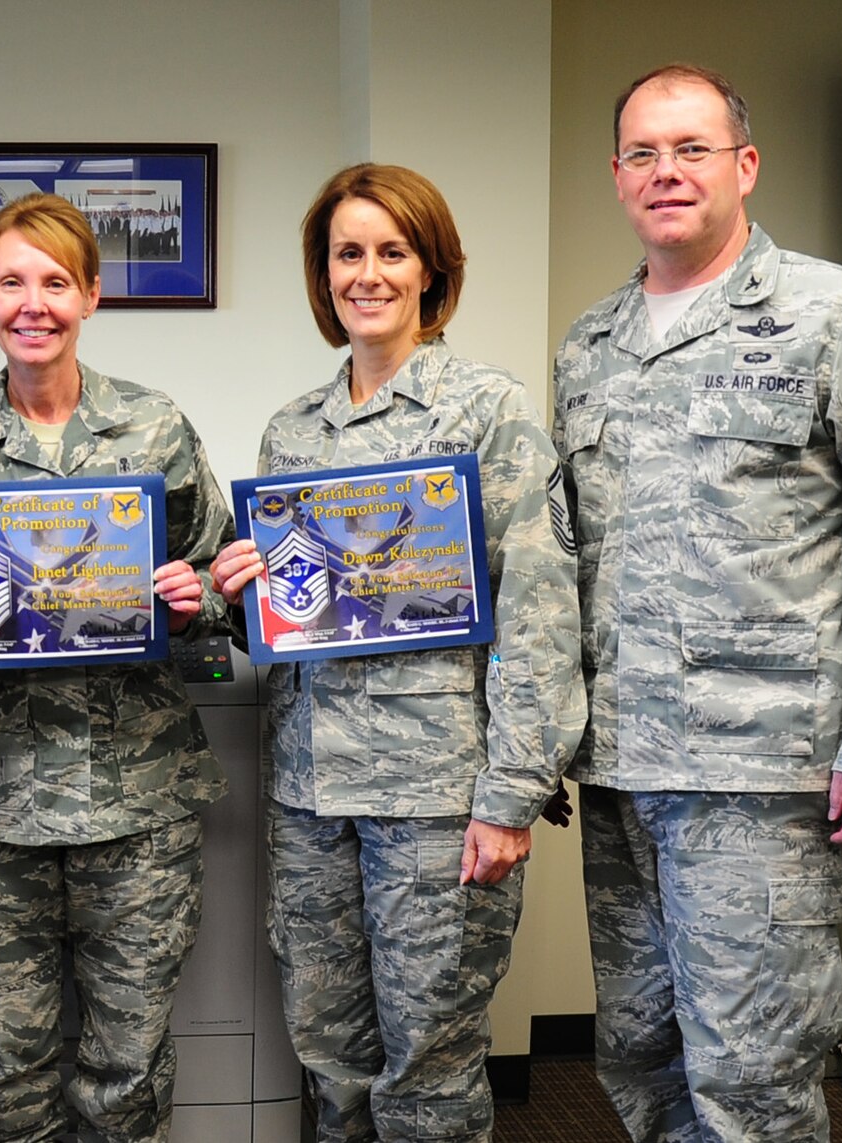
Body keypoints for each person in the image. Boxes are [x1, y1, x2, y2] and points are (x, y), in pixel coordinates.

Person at [553, 63, 842, 1141]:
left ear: (742, 166)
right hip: (618, 770)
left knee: (750, 1077)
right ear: (616, 177)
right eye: (643, 153)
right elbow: (556, 560)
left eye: (691, 148)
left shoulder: (833, 315)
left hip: (759, 777)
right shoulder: (588, 347)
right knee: (640, 1060)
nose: (666, 172)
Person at [208, 163, 583, 1142]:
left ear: (430, 270)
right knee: (331, 1063)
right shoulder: (291, 431)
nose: (365, 273)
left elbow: (541, 614)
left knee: (427, 1071)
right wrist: (240, 588)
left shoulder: (487, 413)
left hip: (433, 796)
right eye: (345, 253)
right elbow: (291, 622)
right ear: (320, 273)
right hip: (308, 798)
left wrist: (509, 795)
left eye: (390, 251)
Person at [0, 192, 234, 1143]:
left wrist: (195, 595)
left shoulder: (154, 428)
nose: (32, 302)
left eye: (54, 281)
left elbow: (227, 581)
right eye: (11, 281)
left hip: (139, 799)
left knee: (127, 1065)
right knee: (7, 1060)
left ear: (91, 294)